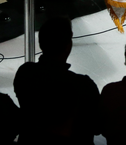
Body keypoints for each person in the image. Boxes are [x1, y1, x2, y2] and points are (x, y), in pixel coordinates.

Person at [13, 16, 101, 144]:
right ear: (68, 45)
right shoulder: (83, 85)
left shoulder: (25, 72)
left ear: (41, 43)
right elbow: (97, 126)